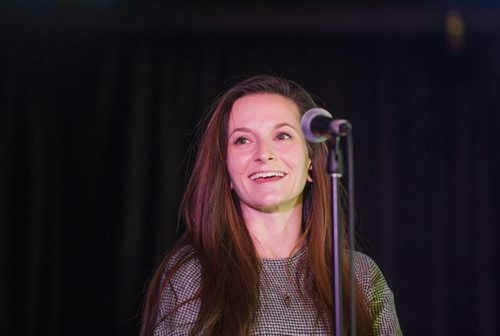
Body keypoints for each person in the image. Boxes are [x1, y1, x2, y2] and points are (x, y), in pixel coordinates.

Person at [140, 75, 402, 336]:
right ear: (226, 170)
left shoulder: (360, 276)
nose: (263, 154)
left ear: (311, 161)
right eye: (243, 140)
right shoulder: (194, 276)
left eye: (282, 136)